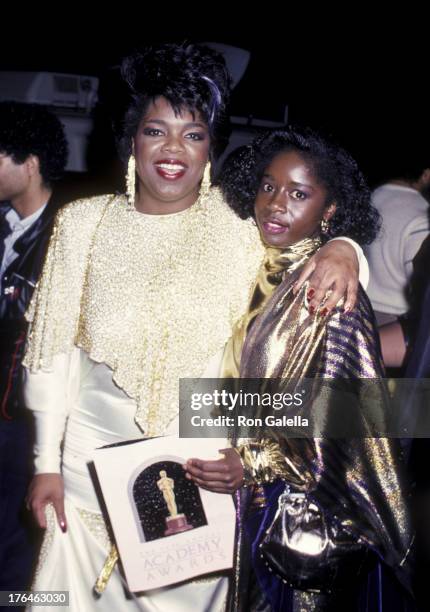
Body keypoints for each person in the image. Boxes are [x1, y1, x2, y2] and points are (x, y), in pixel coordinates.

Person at [24, 44, 366, 611]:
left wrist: (346, 248)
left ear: (212, 149)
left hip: (201, 483)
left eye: (194, 133)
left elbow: (306, 254)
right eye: (156, 130)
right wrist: (43, 465)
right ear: (132, 139)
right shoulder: (81, 224)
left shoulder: (241, 233)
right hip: (85, 478)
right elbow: (52, 355)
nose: (173, 150)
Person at [185, 128, 413, 611]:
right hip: (224, 494)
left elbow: (344, 429)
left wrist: (249, 465)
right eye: (267, 186)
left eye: (298, 193)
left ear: (329, 210)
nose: (274, 204)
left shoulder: (331, 294)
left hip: (288, 519)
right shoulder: (247, 263)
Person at [0, 101, 68, 595]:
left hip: (26, 423)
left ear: (30, 163)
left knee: (21, 548)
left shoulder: (67, 235)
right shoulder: (5, 227)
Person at [365, 150, 430, 326]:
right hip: (395, 323)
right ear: (425, 175)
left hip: (360, 308)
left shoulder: (372, 197)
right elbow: (421, 288)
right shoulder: (422, 215)